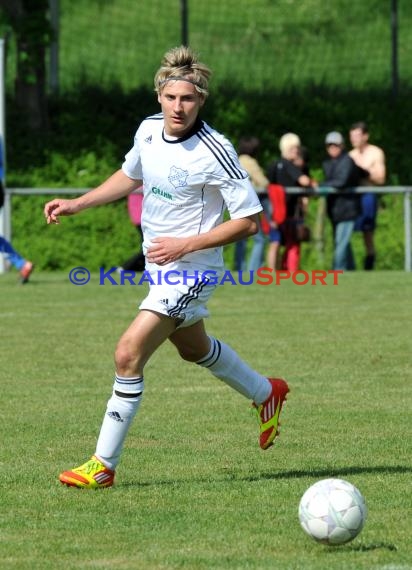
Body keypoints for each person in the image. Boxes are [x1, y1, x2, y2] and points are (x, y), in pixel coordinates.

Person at [44, 46, 289, 489]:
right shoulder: (149, 131)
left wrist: (184, 245)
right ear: (159, 96)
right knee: (193, 348)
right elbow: (130, 176)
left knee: (128, 352)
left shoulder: (216, 149)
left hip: (192, 269)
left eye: (189, 99)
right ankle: (265, 393)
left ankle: (102, 465)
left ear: (201, 101)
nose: (179, 106)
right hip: (163, 267)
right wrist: (78, 203)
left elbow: (249, 223)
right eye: (172, 97)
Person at [266, 133, 315, 271]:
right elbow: (304, 181)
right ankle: (289, 271)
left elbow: (266, 183)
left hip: (273, 211)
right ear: (286, 148)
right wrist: (313, 184)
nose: (297, 151)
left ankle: (272, 272)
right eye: (294, 148)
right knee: (291, 243)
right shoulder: (289, 165)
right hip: (287, 213)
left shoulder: (274, 164)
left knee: (275, 242)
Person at [322, 131, 368, 271]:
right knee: (343, 242)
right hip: (335, 209)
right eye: (330, 145)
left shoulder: (347, 161)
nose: (332, 148)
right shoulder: (328, 163)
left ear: (341, 145)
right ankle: (350, 270)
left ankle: (337, 270)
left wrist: (321, 185)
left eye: (335, 145)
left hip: (348, 208)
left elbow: (341, 182)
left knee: (341, 241)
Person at [349, 121, 386, 270]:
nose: (354, 139)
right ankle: (347, 264)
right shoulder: (350, 155)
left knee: (367, 231)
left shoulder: (375, 153)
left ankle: (369, 263)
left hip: (367, 195)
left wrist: (364, 172)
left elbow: (380, 178)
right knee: (346, 230)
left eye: (357, 135)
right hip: (352, 197)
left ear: (365, 136)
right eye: (351, 136)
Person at [235, 136, 269, 271]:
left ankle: (239, 267)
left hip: (237, 202)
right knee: (259, 238)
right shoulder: (249, 162)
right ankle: (253, 269)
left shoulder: (235, 159)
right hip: (250, 203)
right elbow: (263, 182)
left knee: (239, 238)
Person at [117, 189, 145, 273]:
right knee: (148, 247)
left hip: (139, 217)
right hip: (141, 218)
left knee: (147, 246)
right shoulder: (139, 182)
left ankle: (142, 268)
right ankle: (125, 267)